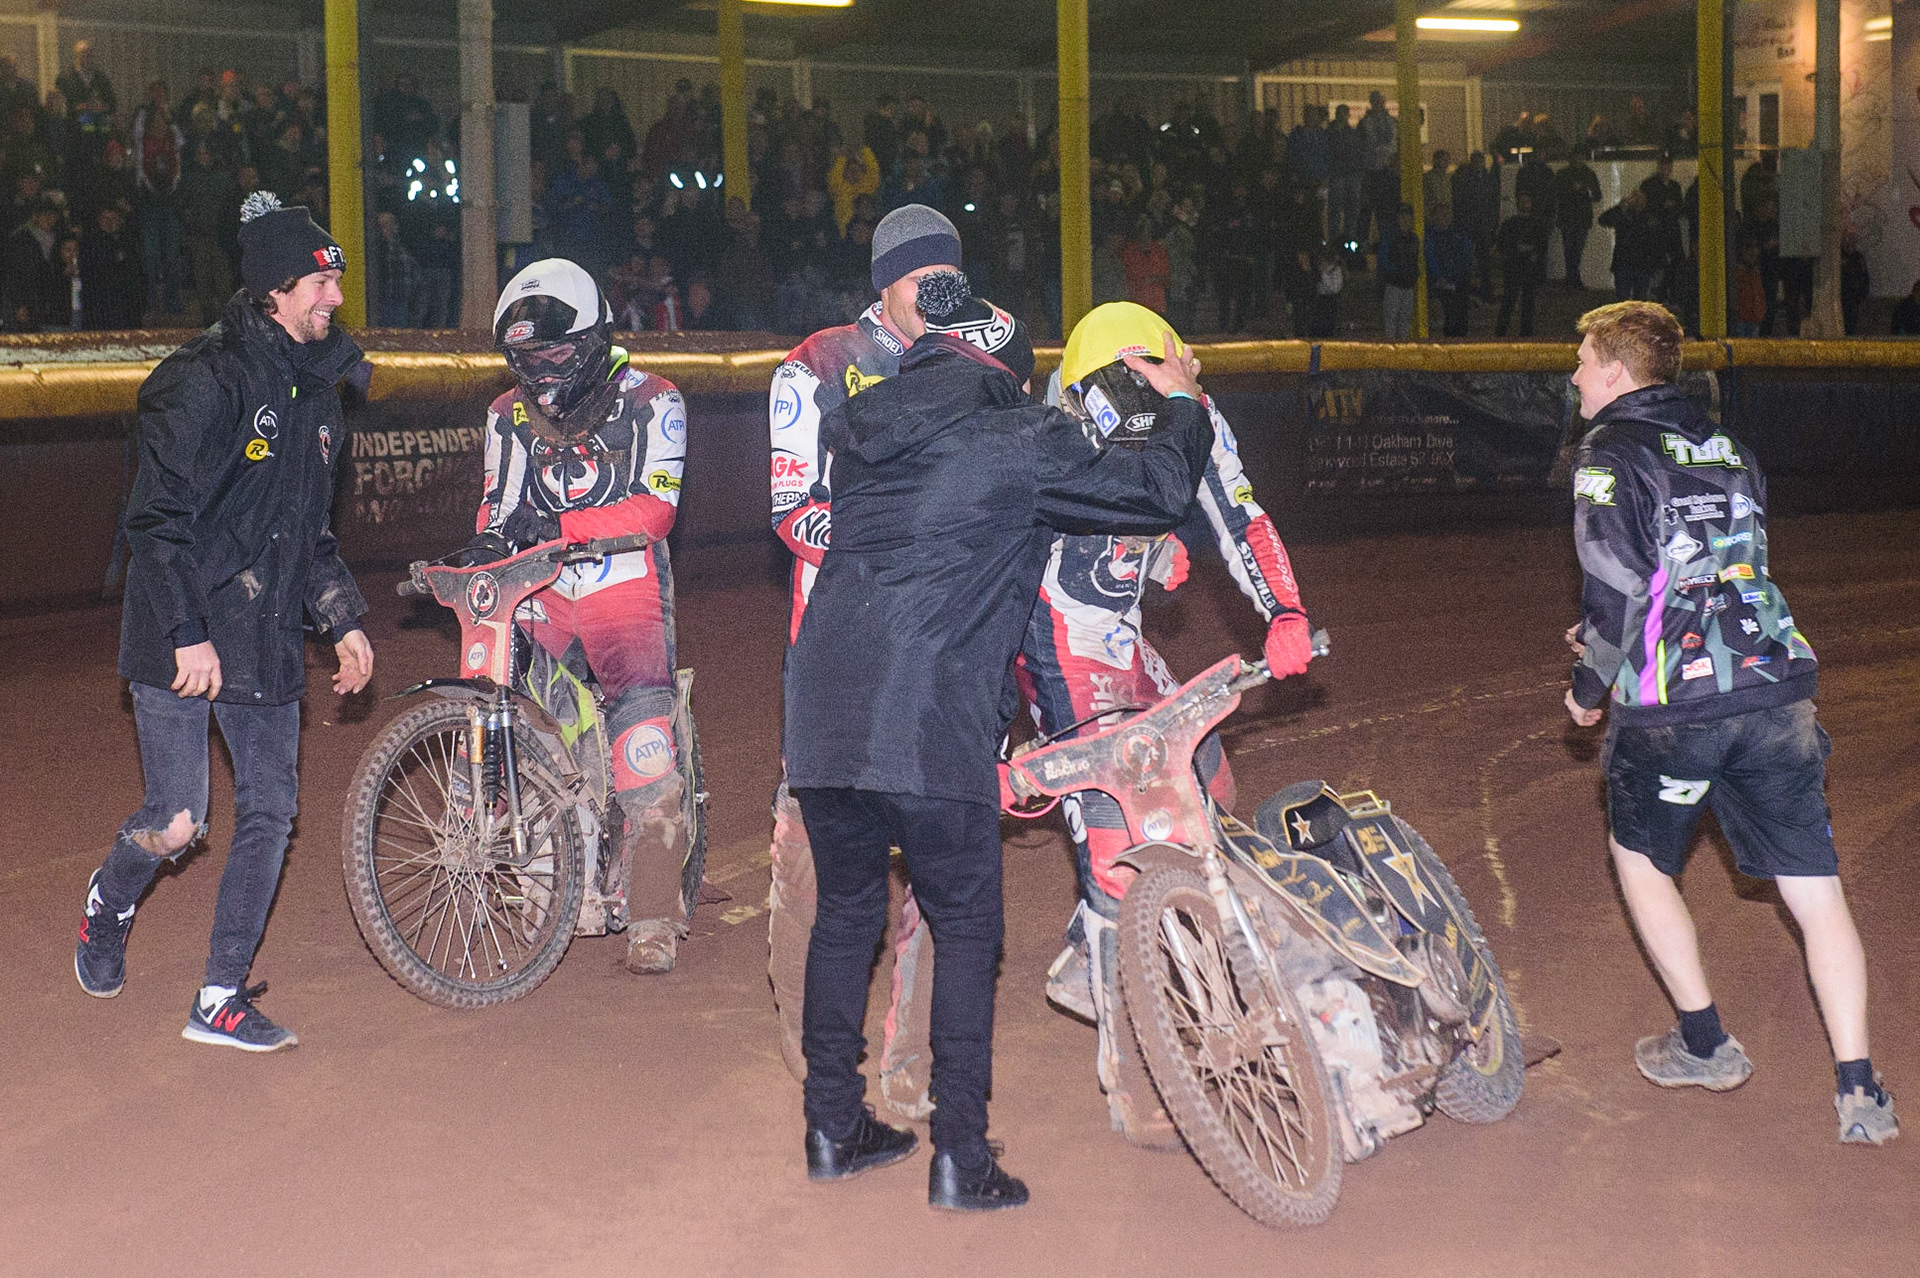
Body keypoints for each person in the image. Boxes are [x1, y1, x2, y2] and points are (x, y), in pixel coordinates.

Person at [783, 270, 1214, 1210]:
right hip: (930, 722)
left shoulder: (860, 430)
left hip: (820, 714)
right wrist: (1178, 404)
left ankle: (831, 1125)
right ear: (1005, 371)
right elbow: (1153, 492)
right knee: (969, 926)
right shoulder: (1019, 435)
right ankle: (960, 1156)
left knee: (848, 914)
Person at [1565, 300, 1898, 1147]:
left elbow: (1616, 589)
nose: (1572, 376)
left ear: (1614, 369)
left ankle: (1706, 1042)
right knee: (1815, 893)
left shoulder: (1607, 452)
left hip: (1678, 705)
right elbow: (1724, 568)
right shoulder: (1732, 447)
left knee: (1640, 864)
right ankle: (1860, 1089)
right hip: (1776, 686)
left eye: (1581, 361)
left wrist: (1585, 685)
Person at [73, 191, 373, 1050]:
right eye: (322, 284)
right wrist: (184, 631)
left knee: (272, 810)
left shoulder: (320, 390)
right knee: (177, 822)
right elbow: (155, 521)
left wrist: (341, 618)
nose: (336, 300)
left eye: (337, 283)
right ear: (275, 289)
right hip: (182, 621)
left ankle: (220, 996)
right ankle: (109, 900)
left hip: (266, 628)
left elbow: (310, 532)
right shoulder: (198, 379)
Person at [765, 205, 954, 1084]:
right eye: (927, 280)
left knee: (935, 868)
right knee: (813, 869)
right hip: (840, 658)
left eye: (955, 278)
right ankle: (818, 1055)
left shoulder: (975, 367)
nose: (945, 294)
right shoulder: (817, 367)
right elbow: (795, 512)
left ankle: (909, 1059)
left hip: (936, 657)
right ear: (888, 282)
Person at [466, 259, 693, 973]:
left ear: (594, 342)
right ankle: (547, 874)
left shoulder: (656, 400)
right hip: (539, 593)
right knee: (517, 717)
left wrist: (560, 531)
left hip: (622, 586)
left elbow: (656, 511)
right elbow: (497, 512)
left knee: (643, 744)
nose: (540, 370)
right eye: (525, 358)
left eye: (555, 353)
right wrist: (485, 547)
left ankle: (654, 914)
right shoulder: (505, 415)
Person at [1495, 190, 1548, 337]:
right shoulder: (1510, 224)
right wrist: (1517, 249)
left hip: (1529, 267)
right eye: (1522, 201)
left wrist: (1533, 252)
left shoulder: (1537, 224)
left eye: (1527, 201)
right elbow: (1502, 244)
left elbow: (1543, 246)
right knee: (1509, 299)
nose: (1525, 204)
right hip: (1514, 266)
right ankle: (1501, 331)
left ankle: (1525, 332)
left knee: (1528, 301)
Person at [1554, 146, 1604, 290]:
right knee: (1573, 250)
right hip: (1575, 217)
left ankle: (1572, 278)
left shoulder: (1564, 174)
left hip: (1574, 217)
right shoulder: (1587, 174)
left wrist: (1579, 190)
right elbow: (1596, 196)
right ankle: (1573, 279)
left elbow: (1597, 195)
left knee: (1572, 251)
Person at [1425, 202, 1475, 337]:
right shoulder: (1431, 235)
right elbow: (1430, 257)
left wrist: (1460, 275)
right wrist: (1439, 276)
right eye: (1442, 214)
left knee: (1462, 317)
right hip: (1443, 282)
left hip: (1459, 281)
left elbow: (1466, 253)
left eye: (1448, 214)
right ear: (1434, 216)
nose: (1445, 217)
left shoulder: (1458, 233)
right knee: (1450, 316)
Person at [1378, 201, 1420, 341]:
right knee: (1392, 318)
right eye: (1403, 216)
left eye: (1408, 216)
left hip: (1407, 284)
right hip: (1394, 283)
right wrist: (1397, 272)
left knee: (1405, 318)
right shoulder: (1390, 237)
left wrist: (1412, 274)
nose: (1406, 219)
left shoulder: (1413, 238)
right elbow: (1383, 260)